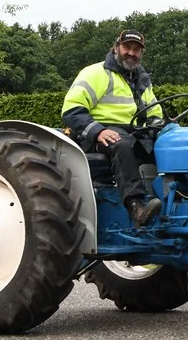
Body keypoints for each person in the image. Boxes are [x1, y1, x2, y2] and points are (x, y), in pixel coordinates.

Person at [61, 29, 165, 227]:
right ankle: (136, 206)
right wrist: (97, 131)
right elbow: (71, 111)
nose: (131, 53)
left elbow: (154, 113)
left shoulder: (141, 78)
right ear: (116, 47)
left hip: (133, 134)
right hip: (96, 137)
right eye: (127, 47)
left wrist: (161, 130)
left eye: (136, 49)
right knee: (121, 143)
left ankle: (172, 204)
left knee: (164, 146)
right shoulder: (95, 73)